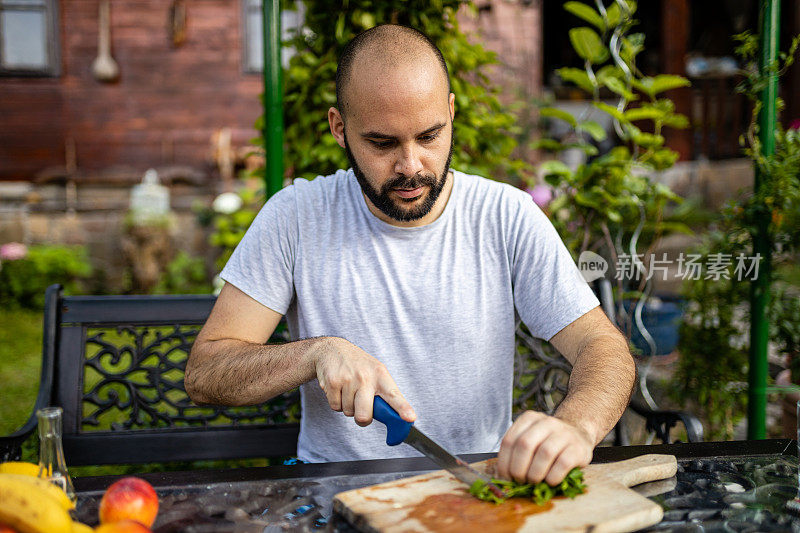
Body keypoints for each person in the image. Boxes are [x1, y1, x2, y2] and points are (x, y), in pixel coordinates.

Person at [185, 24, 635, 486]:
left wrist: (576, 426)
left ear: (452, 112)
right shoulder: (296, 218)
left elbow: (603, 347)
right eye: (382, 143)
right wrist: (315, 354)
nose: (411, 165)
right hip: (335, 494)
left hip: (474, 490)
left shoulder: (506, 216)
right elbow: (206, 373)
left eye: (429, 136)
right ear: (339, 128)